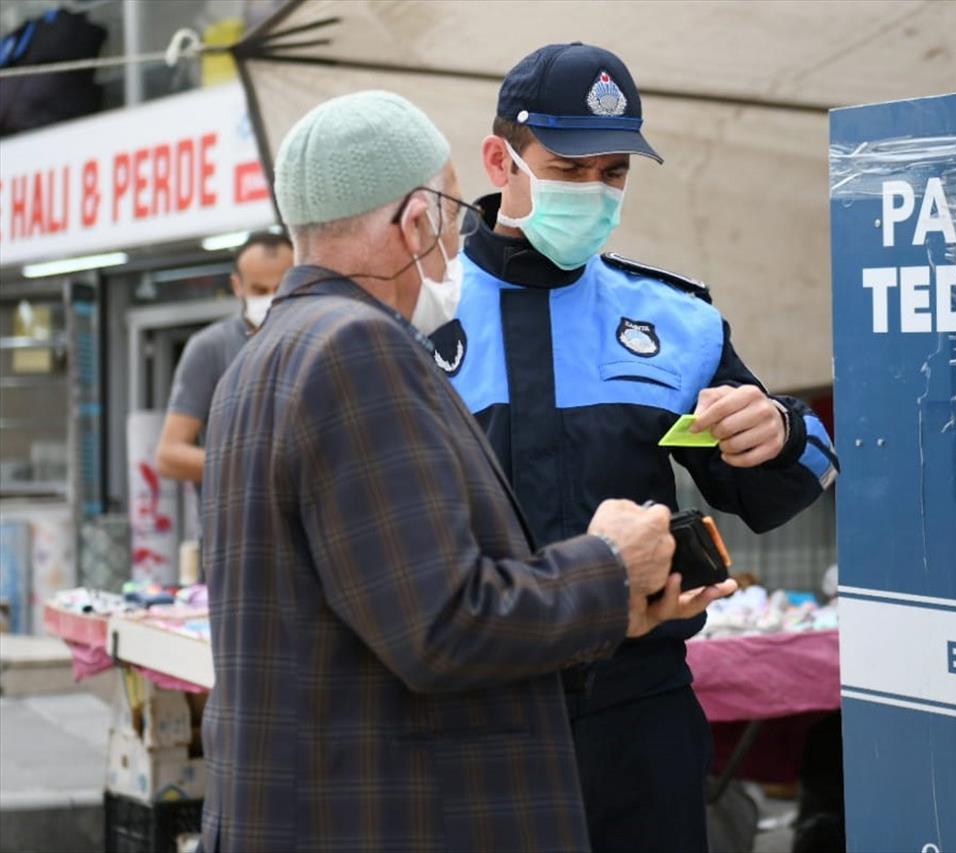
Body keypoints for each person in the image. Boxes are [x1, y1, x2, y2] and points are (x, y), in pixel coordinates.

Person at [199, 90, 735, 852]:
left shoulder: (261, 361)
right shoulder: (360, 350)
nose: (458, 242)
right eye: (453, 216)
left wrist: (615, 611)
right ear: (416, 220)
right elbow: (444, 626)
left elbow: (381, 601)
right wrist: (608, 566)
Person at [428, 42, 840, 853]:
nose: (595, 192)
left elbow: (787, 478)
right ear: (498, 158)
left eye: (613, 173)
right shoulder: (419, 312)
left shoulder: (676, 321)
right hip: (473, 707)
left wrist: (781, 429)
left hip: (638, 710)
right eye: (570, 168)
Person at [155, 231, 292, 483]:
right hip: (238, 518)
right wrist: (254, 470)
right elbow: (169, 455)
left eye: (281, 288)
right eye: (260, 290)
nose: (272, 298)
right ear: (237, 285)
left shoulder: (316, 341)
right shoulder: (211, 348)